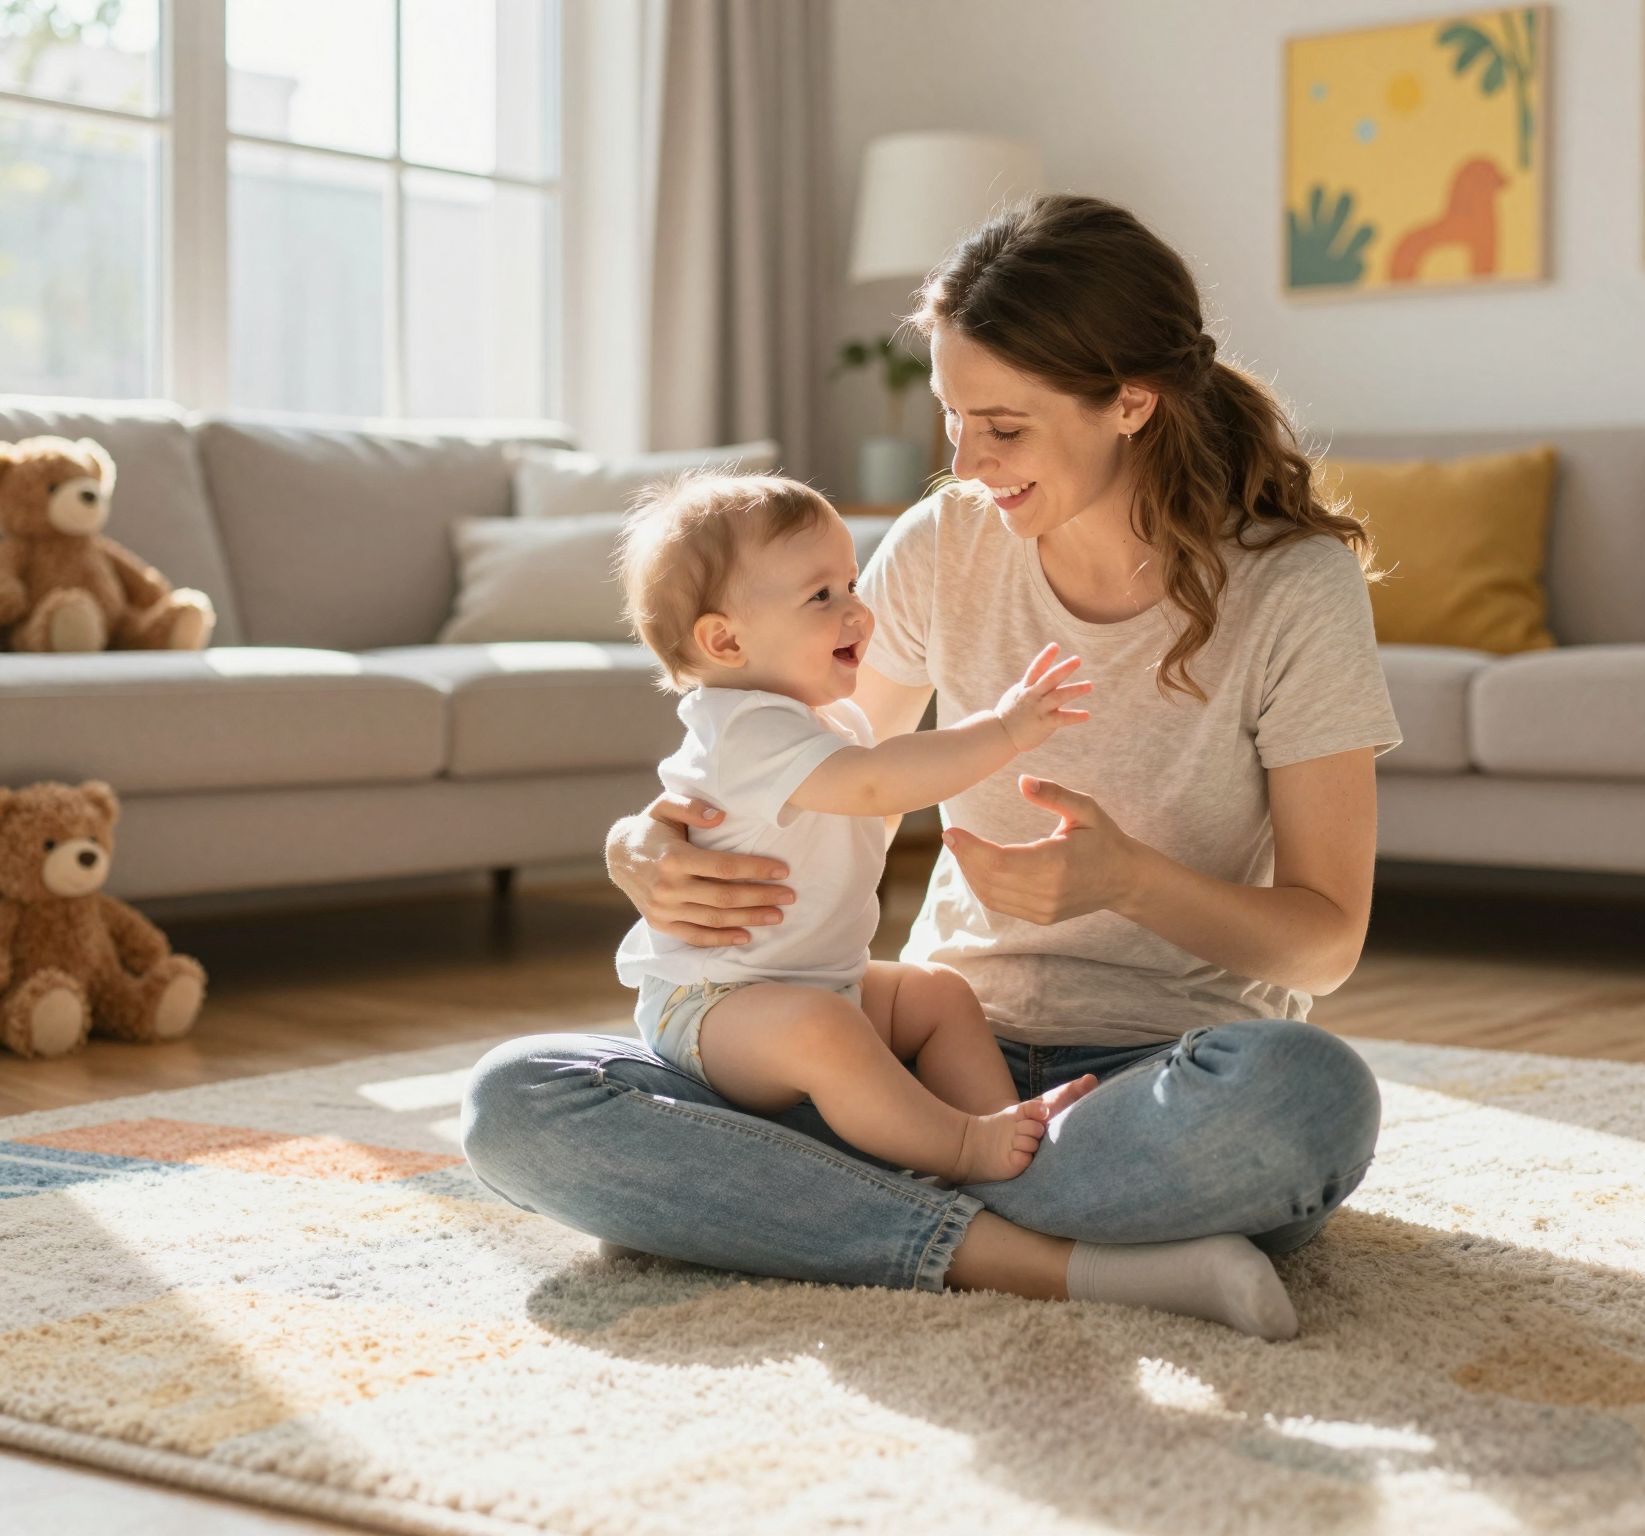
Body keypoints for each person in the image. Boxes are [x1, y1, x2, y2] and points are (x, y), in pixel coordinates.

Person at [463, 192, 1403, 1343]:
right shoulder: (944, 543)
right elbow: (814, 774)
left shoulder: (1292, 588)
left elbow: (1323, 943)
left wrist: (1128, 882)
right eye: (951, 417)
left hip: (1151, 1081)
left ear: (1130, 402)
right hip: (906, 1061)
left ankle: (835, 1206)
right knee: (519, 1102)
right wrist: (640, 846)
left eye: (1002, 426)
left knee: (1303, 1100)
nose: (964, 462)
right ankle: (1028, 1249)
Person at [609, 471, 1098, 1184]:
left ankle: (1011, 1141)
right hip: (715, 1005)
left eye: (851, 584)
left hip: (820, 984)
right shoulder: (742, 727)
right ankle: (964, 1148)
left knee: (938, 995)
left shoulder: (822, 718)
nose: (857, 612)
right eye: (822, 596)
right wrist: (1004, 729)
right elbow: (874, 784)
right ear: (725, 640)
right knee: (825, 1030)